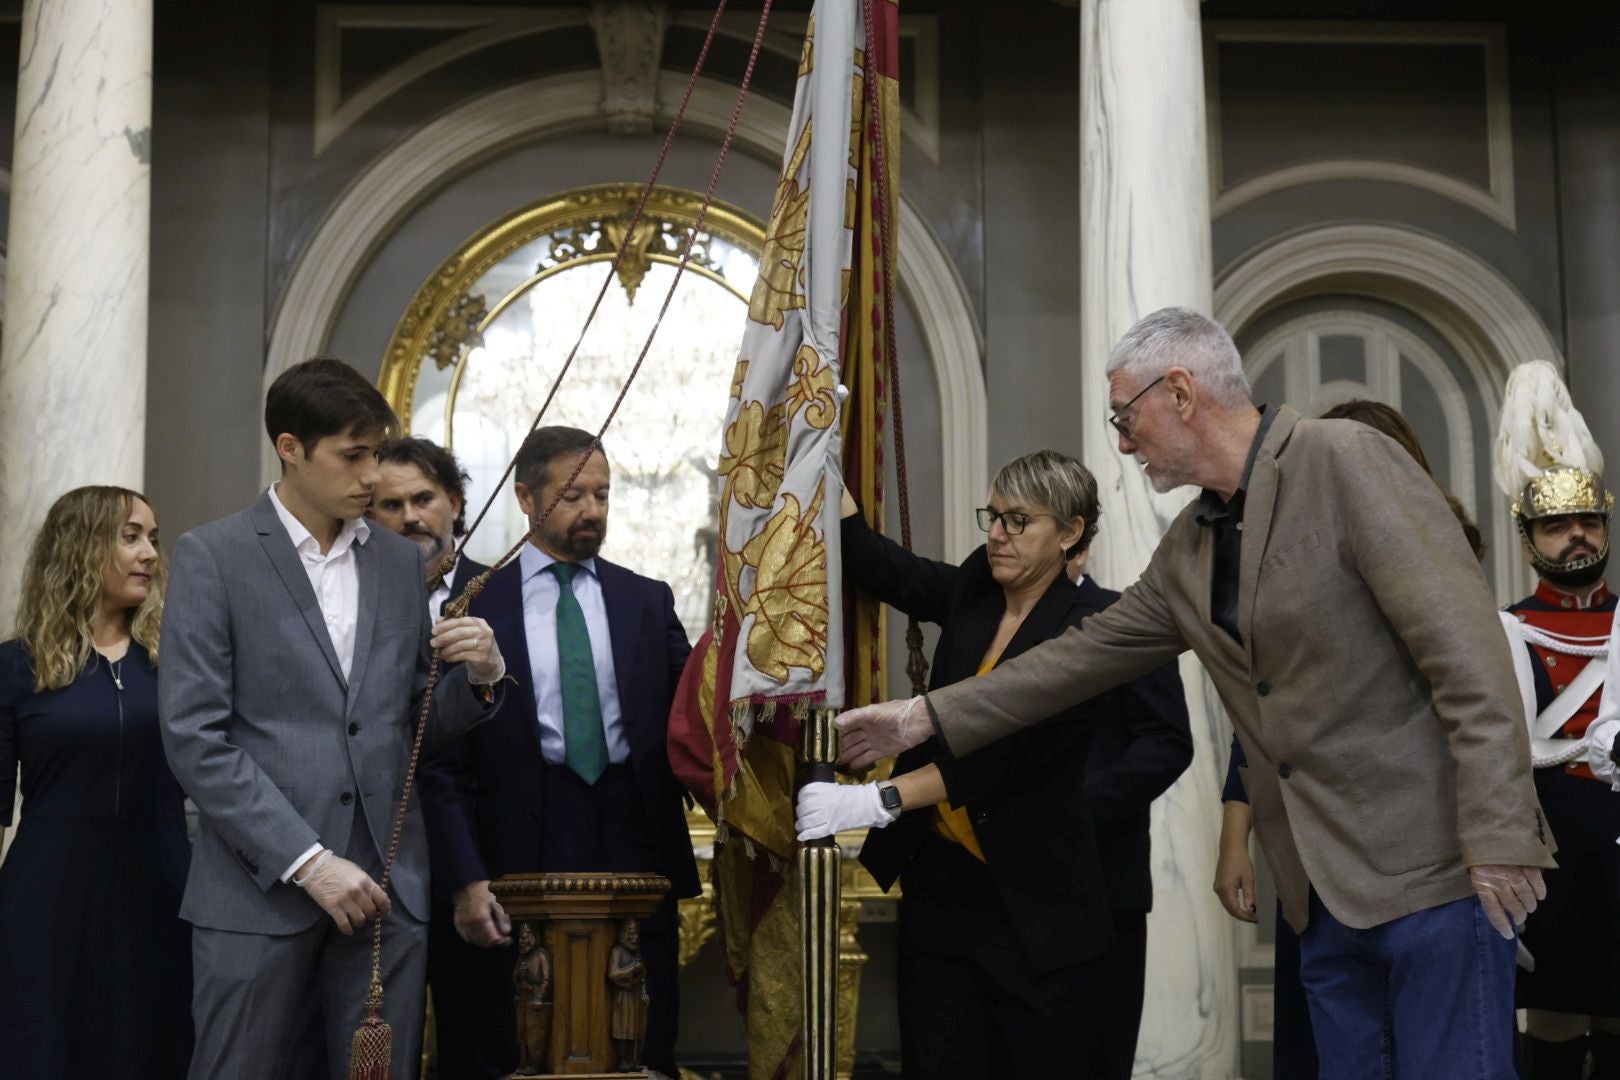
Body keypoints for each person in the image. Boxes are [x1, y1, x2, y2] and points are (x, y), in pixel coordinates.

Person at [835, 307, 1555, 1079]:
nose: (1119, 440)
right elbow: (1076, 661)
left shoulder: (1348, 460)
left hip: (1437, 876)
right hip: (1321, 895)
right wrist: (919, 716)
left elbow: (1469, 660)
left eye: (1124, 415)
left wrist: (1503, 834)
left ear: (1179, 392)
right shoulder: (1190, 546)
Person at [158, 357, 507, 1080]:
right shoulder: (212, 556)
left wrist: (480, 678)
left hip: (387, 888)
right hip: (258, 888)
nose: (373, 475)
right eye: (354, 456)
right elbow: (194, 736)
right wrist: (308, 862)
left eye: (377, 452)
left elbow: (411, 725)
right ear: (291, 448)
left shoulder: (398, 566)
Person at [795, 451, 1191, 1078]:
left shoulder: (1096, 628)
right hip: (945, 885)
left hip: (1038, 894)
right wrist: (817, 451)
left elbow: (1018, 755)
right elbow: (885, 568)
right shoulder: (976, 590)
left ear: (1070, 535)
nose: (996, 533)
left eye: (1017, 521)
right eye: (993, 516)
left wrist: (880, 798)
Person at [1211, 398, 1485, 1080]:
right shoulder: (1280, 551)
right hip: (1316, 850)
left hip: (1421, 847)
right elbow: (1264, 720)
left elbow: (1475, 693)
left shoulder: (1440, 538)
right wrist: (1233, 840)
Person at [424, 425, 700, 1079]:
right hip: (519, 837)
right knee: (518, 1037)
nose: (593, 511)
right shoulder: (475, 602)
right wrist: (465, 878)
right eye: (574, 496)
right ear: (525, 497)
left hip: (633, 836)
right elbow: (443, 759)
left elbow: (696, 718)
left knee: (638, 1036)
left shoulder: (645, 599)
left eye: (603, 495)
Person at [0, 486, 192, 1078]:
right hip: (46, 895)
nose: (150, 554)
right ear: (80, 547)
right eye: (130, 536)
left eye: (153, 540)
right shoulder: (14, 667)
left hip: (161, 889)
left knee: (151, 1047)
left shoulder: (177, 660)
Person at [1490, 361, 1620, 1076]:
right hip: (1552, 848)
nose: (1575, 536)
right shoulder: (1502, 630)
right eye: (1556, 525)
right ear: (1528, 536)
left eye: (1587, 521)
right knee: (1557, 1024)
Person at [367, 435, 496, 1078]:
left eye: (424, 499)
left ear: (455, 504)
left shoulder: (505, 592)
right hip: (370, 867)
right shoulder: (349, 599)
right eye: (390, 505)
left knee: (478, 1052)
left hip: (481, 864)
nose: (411, 517)